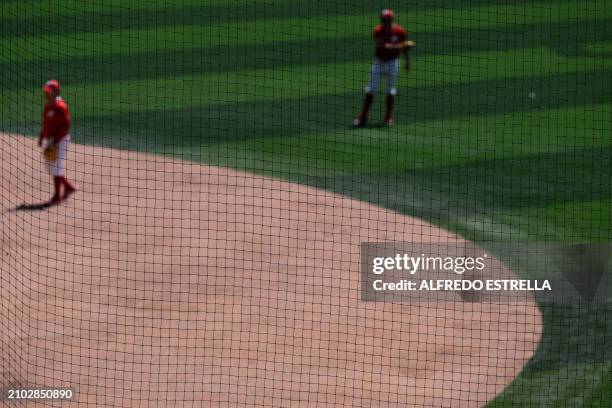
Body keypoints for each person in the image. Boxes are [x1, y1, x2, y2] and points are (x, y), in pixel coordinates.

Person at [354, 9, 414, 127]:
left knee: (390, 90)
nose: (385, 22)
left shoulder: (400, 31)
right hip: (379, 63)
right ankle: (363, 117)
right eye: (383, 20)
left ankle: (388, 117)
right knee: (371, 89)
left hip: (393, 63)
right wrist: (401, 45)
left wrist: (408, 62)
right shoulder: (378, 31)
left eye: (387, 20)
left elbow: (405, 50)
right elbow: (382, 46)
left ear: (392, 19)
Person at [38, 79, 76, 205]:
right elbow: (46, 122)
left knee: (56, 167)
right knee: (51, 167)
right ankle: (68, 188)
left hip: (61, 140)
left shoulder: (60, 106)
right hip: (51, 140)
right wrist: (41, 136)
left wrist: (55, 140)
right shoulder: (48, 104)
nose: (47, 94)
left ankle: (57, 197)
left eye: (49, 91)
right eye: (46, 91)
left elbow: (65, 125)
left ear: (56, 91)